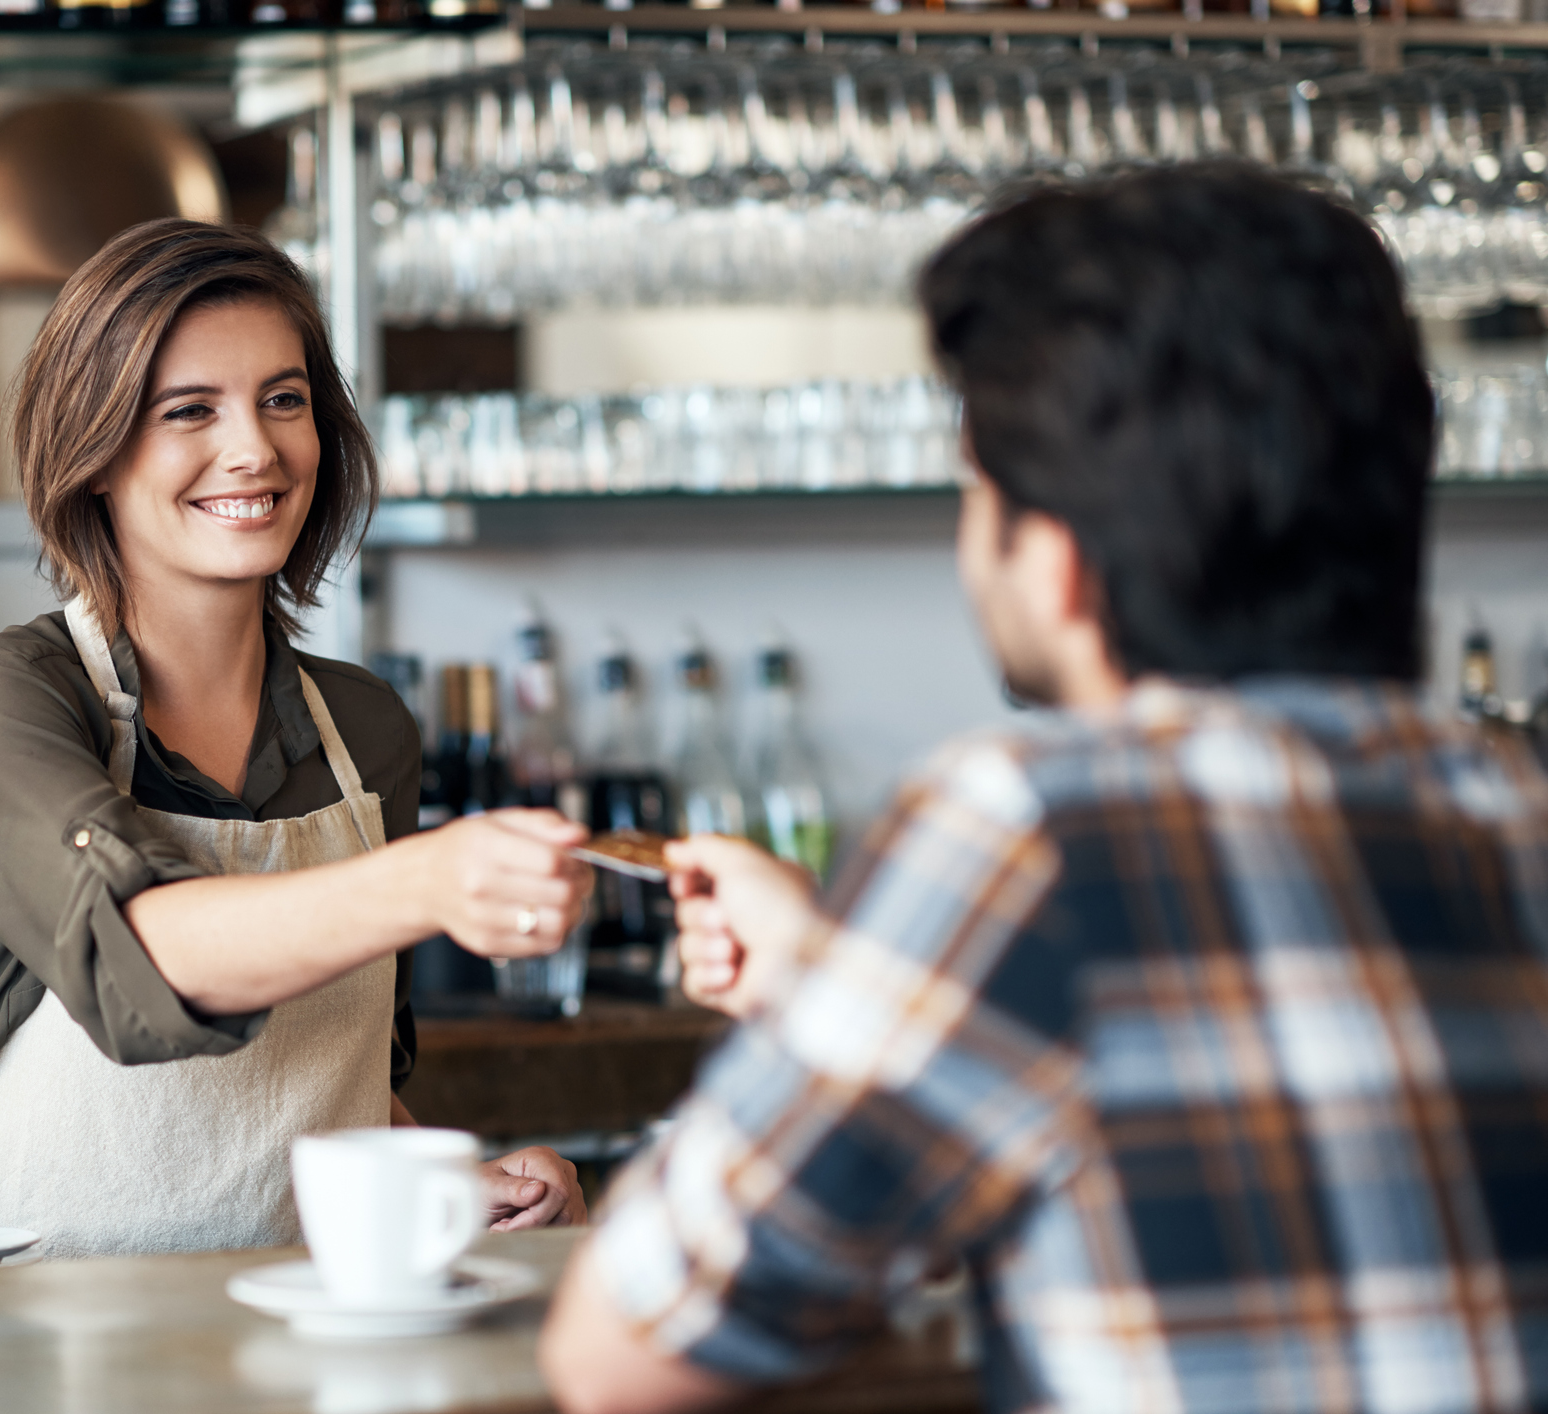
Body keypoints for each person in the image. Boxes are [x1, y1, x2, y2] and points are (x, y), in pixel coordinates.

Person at [541, 165, 1548, 1414]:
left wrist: (832, 997)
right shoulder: (1504, 805)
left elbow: (626, 1346)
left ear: (1058, 562)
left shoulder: (1029, 828)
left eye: (978, 489)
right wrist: (831, 969)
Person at [0, 219, 591, 1260]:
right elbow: (139, 959)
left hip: (321, 1337)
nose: (257, 449)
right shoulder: (0, 699)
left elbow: (333, 1093)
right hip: (59, 1354)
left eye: (284, 399)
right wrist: (429, 879)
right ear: (93, 452)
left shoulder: (366, 730)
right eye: (191, 411)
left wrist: (470, 1185)